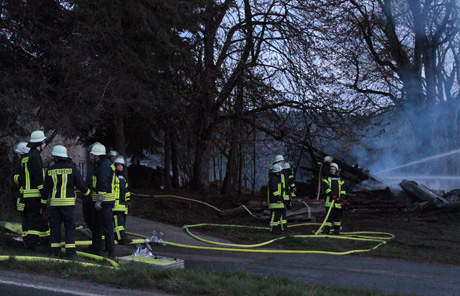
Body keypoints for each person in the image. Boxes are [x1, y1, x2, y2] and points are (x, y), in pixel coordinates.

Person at [41, 145, 90, 259]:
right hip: (68, 205)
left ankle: (55, 253)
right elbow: (82, 186)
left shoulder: (50, 170)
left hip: (54, 206)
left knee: (55, 229)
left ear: (55, 157)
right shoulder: (72, 169)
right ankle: (71, 254)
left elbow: (45, 191)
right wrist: (88, 195)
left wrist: (43, 206)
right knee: (69, 228)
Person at [19, 130, 50, 249]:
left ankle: (39, 242)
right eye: (44, 142)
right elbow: (38, 176)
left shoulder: (26, 156)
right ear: (40, 143)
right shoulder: (36, 156)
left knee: (30, 220)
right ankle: (32, 245)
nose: (45, 145)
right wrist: (44, 194)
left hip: (26, 194)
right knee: (35, 220)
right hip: (35, 195)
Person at [89, 143, 117, 259]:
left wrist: (98, 202)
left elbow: (103, 184)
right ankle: (99, 247)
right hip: (104, 202)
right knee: (98, 226)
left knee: (106, 227)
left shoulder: (103, 166)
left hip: (104, 202)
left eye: (92, 155)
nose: (91, 157)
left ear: (97, 156)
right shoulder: (103, 164)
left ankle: (109, 251)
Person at [112, 156, 132, 244]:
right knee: (118, 224)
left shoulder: (123, 179)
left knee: (121, 223)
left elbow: (126, 192)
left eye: (121, 166)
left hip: (123, 206)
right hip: (115, 206)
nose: (120, 167)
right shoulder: (113, 178)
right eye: (118, 165)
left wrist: (128, 200)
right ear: (115, 166)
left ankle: (116, 236)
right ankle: (121, 238)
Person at [322, 163, 346, 235]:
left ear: (336, 170)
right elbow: (326, 189)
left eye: (333, 169)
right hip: (329, 201)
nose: (332, 171)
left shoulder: (341, 180)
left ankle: (336, 230)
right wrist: (333, 196)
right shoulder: (326, 179)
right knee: (329, 216)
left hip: (338, 201)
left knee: (337, 216)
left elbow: (343, 190)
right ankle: (327, 230)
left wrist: (342, 197)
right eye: (331, 169)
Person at [12, 141, 30, 238]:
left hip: (24, 195)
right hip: (25, 196)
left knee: (27, 219)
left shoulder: (23, 164)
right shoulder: (23, 164)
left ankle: (28, 239)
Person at [267, 163, 286, 235]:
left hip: (279, 201)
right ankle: (273, 229)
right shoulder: (273, 179)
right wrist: (278, 198)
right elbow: (274, 190)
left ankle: (277, 229)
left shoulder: (277, 178)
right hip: (274, 201)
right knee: (274, 216)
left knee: (278, 216)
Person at [0, 141, 11, 208]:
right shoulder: (3, 155)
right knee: (4, 190)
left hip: (5, 175)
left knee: (6, 190)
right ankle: (3, 204)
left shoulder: (5, 154)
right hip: (4, 175)